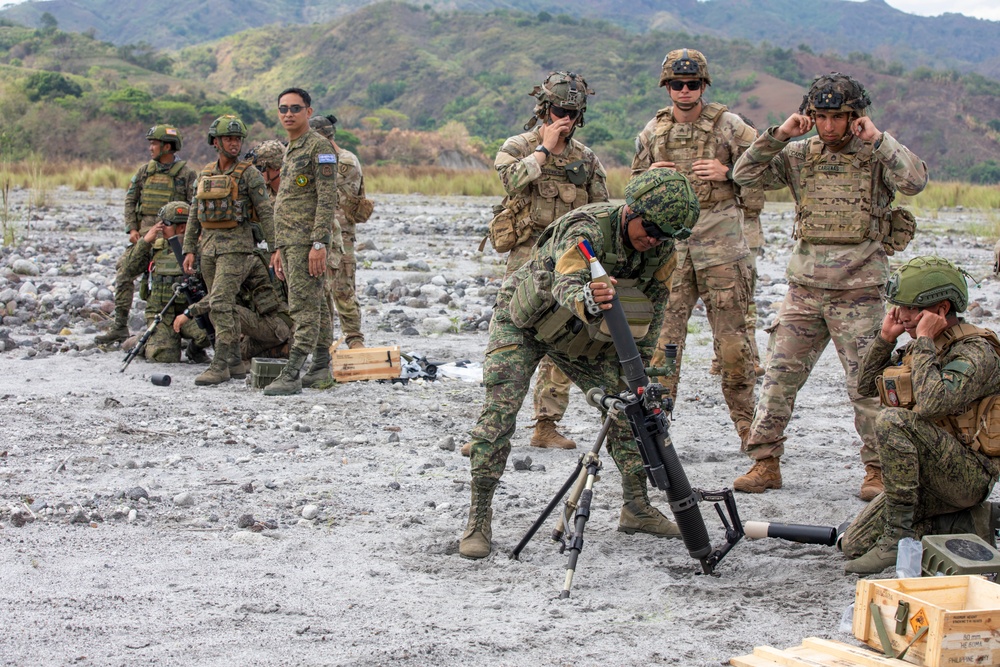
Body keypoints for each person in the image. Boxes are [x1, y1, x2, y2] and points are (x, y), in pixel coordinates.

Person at [459, 168, 701, 560]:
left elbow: (656, 309)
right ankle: (478, 518)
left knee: (631, 408)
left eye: (665, 235)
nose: (654, 239)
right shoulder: (586, 227)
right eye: (651, 228)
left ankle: (636, 508)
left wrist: (638, 372)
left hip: (581, 339)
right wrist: (589, 297)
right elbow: (565, 280)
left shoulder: (660, 250)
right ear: (632, 210)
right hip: (525, 322)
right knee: (498, 416)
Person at [731, 72, 928, 499]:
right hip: (804, 289)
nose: (827, 126)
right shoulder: (800, 155)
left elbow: (914, 182)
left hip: (859, 291)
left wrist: (879, 138)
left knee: (866, 384)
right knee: (779, 378)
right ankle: (765, 462)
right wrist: (780, 135)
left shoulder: (875, 154)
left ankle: (877, 469)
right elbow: (744, 174)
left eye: (837, 117)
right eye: (819, 116)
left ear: (855, 116)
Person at [470, 70, 609, 454]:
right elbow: (510, 180)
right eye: (557, 111)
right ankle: (491, 428)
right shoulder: (519, 145)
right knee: (510, 338)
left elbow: (600, 210)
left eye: (571, 113)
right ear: (544, 109)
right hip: (525, 257)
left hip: (567, 261)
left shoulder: (586, 159)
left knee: (563, 340)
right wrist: (543, 150)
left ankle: (546, 424)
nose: (563, 119)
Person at [841, 256, 1000, 574]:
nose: (903, 316)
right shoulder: (919, 348)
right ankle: (964, 520)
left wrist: (925, 340)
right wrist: (885, 340)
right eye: (898, 307)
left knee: (892, 420)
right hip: (924, 478)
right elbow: (866, 387)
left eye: (911, 308)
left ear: (941, 310)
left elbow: (932, 405)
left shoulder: (977, 352)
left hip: (968, 476)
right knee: (852, 544)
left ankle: (898, 540)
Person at [633, 48, 758, 445]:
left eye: (691, 84)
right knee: (662, 342)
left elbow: (769, 172)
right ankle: (658, 428)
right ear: (667, 87)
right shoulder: (653, 132)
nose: (683, 91)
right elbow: (632, 188)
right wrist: (649, 175)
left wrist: (730, 173)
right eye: (676, 84)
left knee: (733, 343)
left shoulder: (730, 127)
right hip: (670, 251)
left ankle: (747, 427)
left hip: (720, 247)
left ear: (703, 86)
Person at [181, 115, 275, 386]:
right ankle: (234, 360)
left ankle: (220, 364)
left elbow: (266, 213)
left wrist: (276, 248)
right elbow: (193, 215)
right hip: (208, 248)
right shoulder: (206, 174)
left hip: (237, 249)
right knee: (221, 305)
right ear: (216, 142)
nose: (234, 144)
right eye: (228, 139)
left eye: (237, 139)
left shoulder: (249, 174)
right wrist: (189, 249)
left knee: (220, 303)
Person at [264, 87, 343, 396]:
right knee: (319, 304)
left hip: (308, 241)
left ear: (309, 112)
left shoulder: (318, 147)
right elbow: (288, 199)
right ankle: (321, 367)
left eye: (295, 108)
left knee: (303, 307)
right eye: (283, 108)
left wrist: (319, 244)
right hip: (291, 242)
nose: (288, 114)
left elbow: (326, 199)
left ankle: (293, 372)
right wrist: (280, 248)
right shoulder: (291, 148)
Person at [96, 125, 198, 344]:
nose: (151, 148)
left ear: (167, 146)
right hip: (145, 239)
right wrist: (132, 229)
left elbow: (195, 209)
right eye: (150, 143)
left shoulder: (186, 174)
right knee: (124, 273)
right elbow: (130, 200)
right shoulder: (144, 171)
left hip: (173, 243)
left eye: (154, 143)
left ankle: (189, 329)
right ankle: (120, 326)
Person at [310, 113, 373, 351]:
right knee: (321, 290)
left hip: (342, 235)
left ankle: (354, 339)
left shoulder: (345, 161)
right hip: (322, 235)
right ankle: (322, 342)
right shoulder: (326, 159)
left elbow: (322, 187)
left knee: (343, 288)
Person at [711, 114, 767, 378]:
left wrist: (730, 175)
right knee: (718, 300)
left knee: (743, 301)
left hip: (746, 236)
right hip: (721, 236)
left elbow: (754, 203)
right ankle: (720, 357)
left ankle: (749, 357)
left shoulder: (749, 166)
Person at [121, 201, 211, 363]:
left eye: (166, 224)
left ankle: (194, 351)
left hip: (188, 313)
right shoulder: (154, 246)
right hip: (160, 313)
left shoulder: (198, 249)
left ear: (182, 228)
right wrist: (144, 242)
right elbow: (128, 269)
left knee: (210, 334)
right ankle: (141, 341)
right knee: (165, 357)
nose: (160, 227)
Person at [174, 249, 291, 363]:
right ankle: (282, 348)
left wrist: (189, 312)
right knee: (238, 352)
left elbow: (221, 294)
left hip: (275, 324)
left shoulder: (246, 260)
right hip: (272, 323)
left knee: (219, 312)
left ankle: (281, 349)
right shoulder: (243, 258)